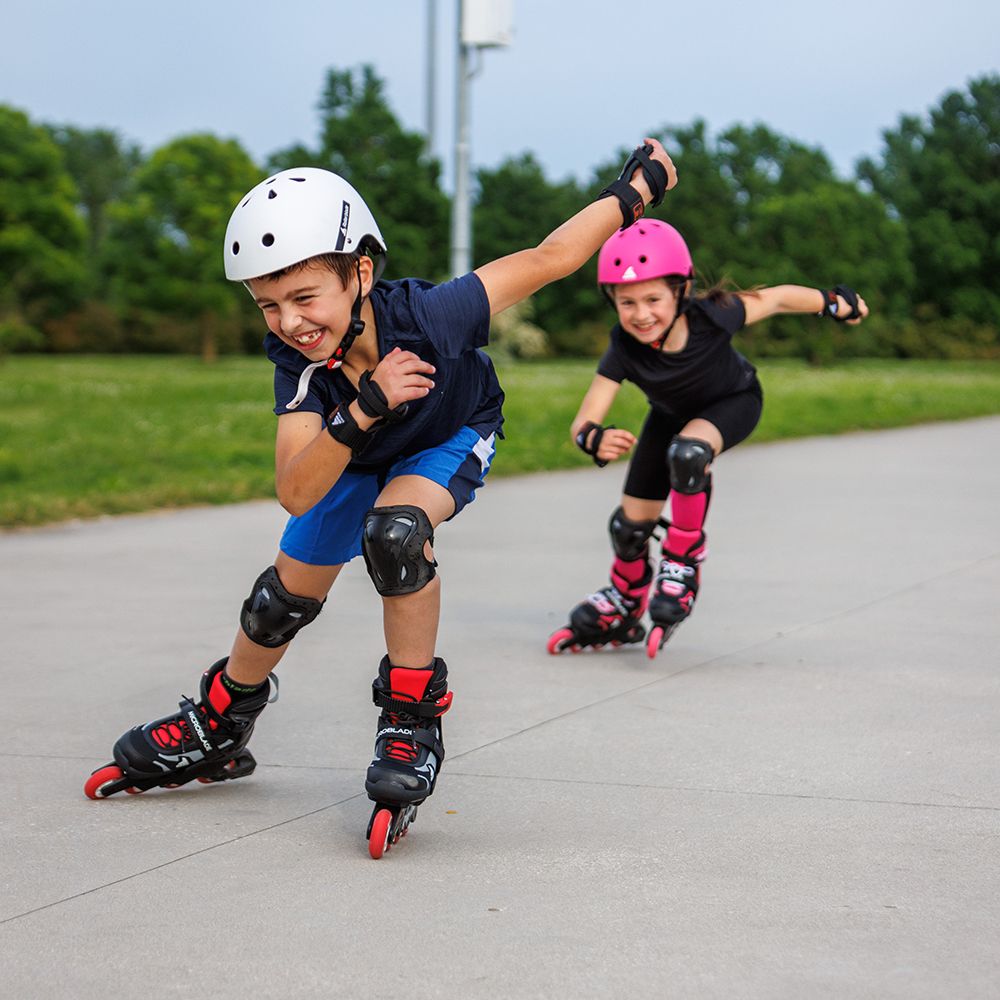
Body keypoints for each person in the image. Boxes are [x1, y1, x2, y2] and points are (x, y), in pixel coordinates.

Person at [85, 142, 678, 856]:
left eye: (305, 298)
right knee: (279, 601)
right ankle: (221, 721)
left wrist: (634, 189)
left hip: (448, 432)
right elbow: (296, 490)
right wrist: (363, 407)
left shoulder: (432, 315)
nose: (290, 323)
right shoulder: (298, 365)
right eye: (268, 306)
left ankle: (410, 717)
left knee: (395, 535)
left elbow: (549, 257)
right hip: (359, 443)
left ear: (360, 271)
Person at [547, 219, 868, 659]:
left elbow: (774, 298)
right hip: (669, 417)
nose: (641, 314)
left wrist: (831, 303)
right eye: (627, 302)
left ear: (680, 291)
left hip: (733, 401)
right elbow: (587, 414)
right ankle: (625, 600)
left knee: (690, 454)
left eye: (653, 299)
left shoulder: (713, 314)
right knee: (628, 527)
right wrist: (592, 438)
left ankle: (681, 560)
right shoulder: (623, 345)